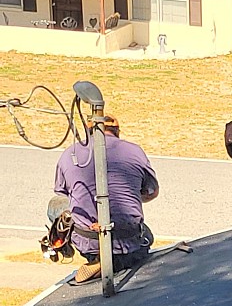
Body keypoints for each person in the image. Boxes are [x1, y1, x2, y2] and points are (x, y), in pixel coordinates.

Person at [53, 116, 158, 285]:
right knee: (147, 234)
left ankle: (73, 251)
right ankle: (114, 260)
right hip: (128, 240)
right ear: (117, 131)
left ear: (88, 132)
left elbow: (62, 191)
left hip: (88, 240)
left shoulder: (70, 153)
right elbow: (152, 192)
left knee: (56, 207)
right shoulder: (134, 151)